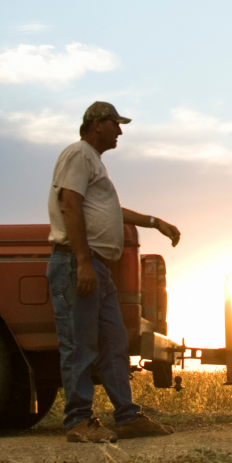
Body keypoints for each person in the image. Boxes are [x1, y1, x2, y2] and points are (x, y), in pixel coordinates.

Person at [47, 101, 181, 443]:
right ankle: (78, 421)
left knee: (114, 344)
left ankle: (127, 417)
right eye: (115, 124)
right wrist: (83, 261)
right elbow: (70, 203)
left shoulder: (93, 161)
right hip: (79, 263)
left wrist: (154, 222)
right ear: (97, 123)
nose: (120, 131)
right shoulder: (79, 154)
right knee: (80, 344)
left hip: (98, 268)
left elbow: (109, 210)